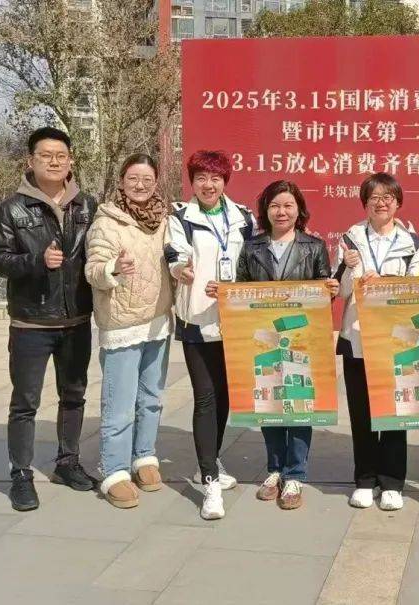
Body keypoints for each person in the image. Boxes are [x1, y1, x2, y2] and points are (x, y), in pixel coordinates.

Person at [0, 126, 98, 511]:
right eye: (46, 155)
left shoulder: (87, 206)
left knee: (74, 396)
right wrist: (37, 261)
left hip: (76, 319)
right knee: (25, 401)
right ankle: (21, 473)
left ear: (71, 161)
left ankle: (68, 462)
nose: (54, 162)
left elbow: (99, 252)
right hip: (31, 323)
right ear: (30, 161)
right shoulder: (12, 209)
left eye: (61, 155)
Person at [226, 180, 339, 511]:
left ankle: (295, 474)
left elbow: (322, 295)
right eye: (275, 205)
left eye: (288, 205)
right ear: (266, 210)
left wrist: (329, 291)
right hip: (263, 340)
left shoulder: (313, 247)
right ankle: (274, 469)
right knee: (269, 402)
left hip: (301, 340)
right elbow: (242, 291)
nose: (281, 212)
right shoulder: (252, 248)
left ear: (299, 209)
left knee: (300, 404)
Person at [165, 150, 256, 520]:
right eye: (201, 178)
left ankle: (212, 461)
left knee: (224, 397)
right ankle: (210, 483)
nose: (208, 185)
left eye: (215, 178)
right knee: (205, 398)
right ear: (192, 182)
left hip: (234, 321)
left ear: (225, 181)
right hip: (197, 320)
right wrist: (180, 270)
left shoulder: (243, 218)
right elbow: (174, 254)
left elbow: (253, 260)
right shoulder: (180, 217)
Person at [334, 173, 419, 512]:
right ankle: (364, 479)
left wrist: (384, 281)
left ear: (398, 203)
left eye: (388, 197)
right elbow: (341, 292)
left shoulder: (414, 243)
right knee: (361, 413)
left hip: (396, 339)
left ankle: (391, 482)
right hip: (357, 336)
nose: (381, 203)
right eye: (374, 197)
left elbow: (417, 289)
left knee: (394, 412)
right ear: (365, 203)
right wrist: (348, 269)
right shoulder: (350, 239)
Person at [84, 153, 174, 509]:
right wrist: (113, 268)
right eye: (133, 178)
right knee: (119, 404)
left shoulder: (165, 221)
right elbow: (92, 270)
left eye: (147, 179)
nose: (140, 185)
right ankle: (114, 470)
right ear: (122, 181)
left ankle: (144, 456)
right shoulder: (107, 222)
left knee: (151, 398)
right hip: (122, 325)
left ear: (156, 183)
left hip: (158, 322)